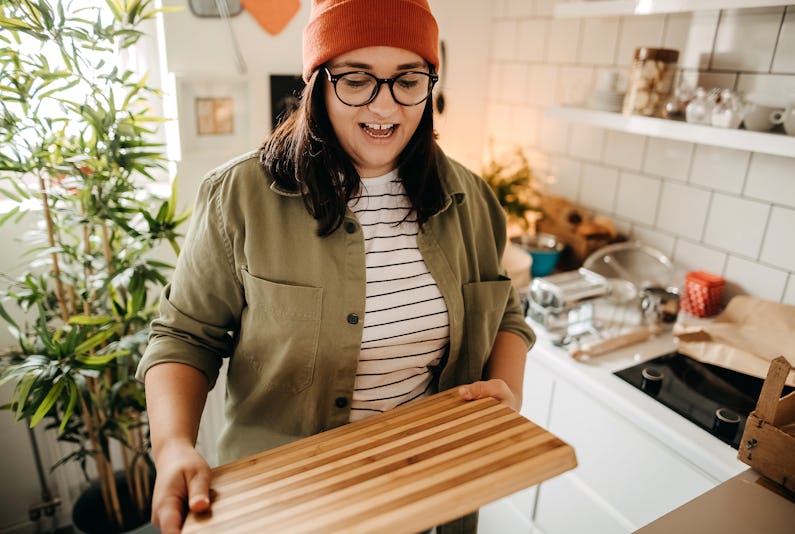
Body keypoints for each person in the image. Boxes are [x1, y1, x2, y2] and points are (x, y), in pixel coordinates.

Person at [137, 1, 535, 533]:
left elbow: (506, 311)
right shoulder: (240, 197)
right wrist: (172, 447)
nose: (385, 105)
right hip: (287, 501)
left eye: (407, 79)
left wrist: (507, 394)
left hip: (432, 493)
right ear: (318, 84)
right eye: (357, 79)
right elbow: (185, 338)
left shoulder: (473, 198)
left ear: (430, 83)